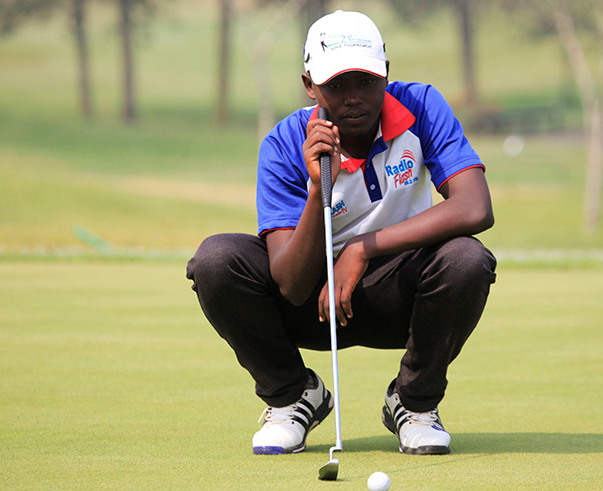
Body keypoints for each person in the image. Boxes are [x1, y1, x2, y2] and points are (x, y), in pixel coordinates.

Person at [187, 10, 496, 456]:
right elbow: (291, 285)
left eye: (366, 81)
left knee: (467, 259)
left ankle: (413, 403)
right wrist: (318, 188)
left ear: (386, 72)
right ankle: (293, 396)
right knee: (216, 260)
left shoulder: (422, 106)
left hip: (401, 295)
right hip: (313, 303)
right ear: (310, 85)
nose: (354, 98)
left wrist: (361, 249)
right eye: (336, 85)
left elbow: (475, 207)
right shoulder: (284, 142)